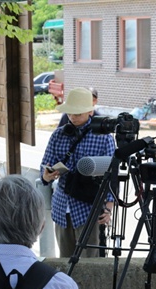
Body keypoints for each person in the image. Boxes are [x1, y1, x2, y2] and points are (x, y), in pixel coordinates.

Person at [40, 87, 115, 258]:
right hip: (61, 207)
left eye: (78, 114)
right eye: (70, 113)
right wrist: (46, 175)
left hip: (88, 207)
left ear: (90, 111)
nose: (73, 117)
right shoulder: (58, 135)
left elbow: (111, 175)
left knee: (90, 264)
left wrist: (109, 208)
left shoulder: (104, 138)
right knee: (65, 262)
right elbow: (44, 166)